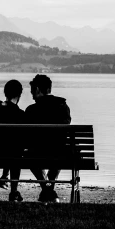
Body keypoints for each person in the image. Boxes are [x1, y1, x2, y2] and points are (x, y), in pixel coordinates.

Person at [25, 74, 71, 203]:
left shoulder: (31, 110)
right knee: (61, 151)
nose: (32, 95)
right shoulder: (63, 107)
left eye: (33, 91)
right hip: (59, 153)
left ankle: (46, 189)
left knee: (28, 155)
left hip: (36, 153)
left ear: (38, 90)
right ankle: (49, 190)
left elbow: (25, 136)